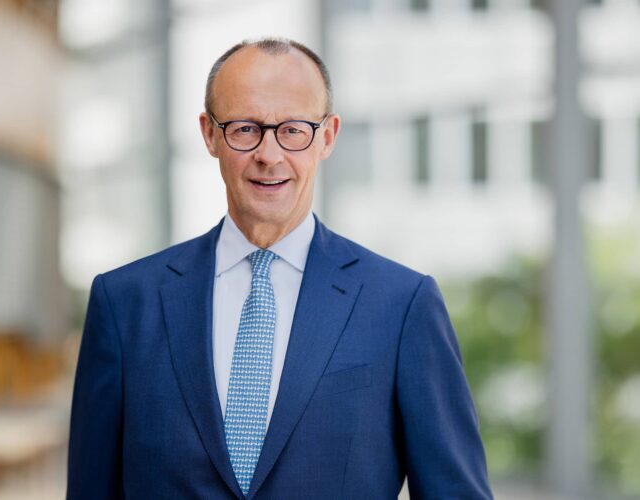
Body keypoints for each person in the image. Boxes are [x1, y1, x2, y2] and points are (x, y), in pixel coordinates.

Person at [67, 37, 493, 499]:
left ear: (327, 136)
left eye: (293, 130)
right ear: (209, 134)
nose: (269, 156)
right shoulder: (124, 303)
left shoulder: (401, 305)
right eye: (245, 129)